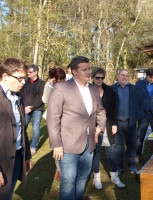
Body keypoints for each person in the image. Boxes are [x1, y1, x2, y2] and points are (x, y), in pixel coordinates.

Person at [47, 56, 106, 200]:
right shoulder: (61, 88)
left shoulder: (93, 89)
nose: (88, 72)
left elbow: (101, 111)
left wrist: (99, 128)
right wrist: (56, 144)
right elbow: (53, 117)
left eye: (89, 69)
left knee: (83, 177)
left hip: (89, 142)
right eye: (84, 69)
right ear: (74, 71)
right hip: (67, 144)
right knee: (68, 180)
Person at [0, 58, 31, 200]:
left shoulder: (18, 97)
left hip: (17, 156)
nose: (23, 82)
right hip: (2, 160)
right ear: (5, 77)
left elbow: (22, 129)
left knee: (7, 194)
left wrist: (26, 156)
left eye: (24, 78)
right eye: (19, 79)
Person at [91, 67, 125, 189]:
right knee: (96, 152)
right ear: (93, 77)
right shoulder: (88, 90)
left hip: (109, 124)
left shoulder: (109, 90)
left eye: (102, 77)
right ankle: (97, 178)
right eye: (97, 77)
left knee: (111, 151)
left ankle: (115, 177)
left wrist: (115, 123)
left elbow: (115, 108)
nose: (100, 80)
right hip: (94, 127)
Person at [111, 69, 142, 174]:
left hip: (131, 123)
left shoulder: (134, 89)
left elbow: (140, 104)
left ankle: (131, 165)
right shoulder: (112, 89)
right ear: (118, 76)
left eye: (127, 76)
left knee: (132, 145)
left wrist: (136, 117)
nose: (125, 77)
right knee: (118, 147)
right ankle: (119, 167)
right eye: (123, 75)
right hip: (117, 123)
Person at [42, 67, 66, 181]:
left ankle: (67, 166)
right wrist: (51, 85)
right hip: (53, 119)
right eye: (58, 80)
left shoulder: (68, 85)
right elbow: (45, 100)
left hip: (66, 119)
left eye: (62, 79)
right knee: (57, 144)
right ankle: (59, 169)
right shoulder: (49, 86)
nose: (60, 82)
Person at [21, 64, 45, 156]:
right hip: (25, 108)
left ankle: (33, 148)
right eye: (28, 72)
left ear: (36, 72)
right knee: (23, 127)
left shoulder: (41, 83)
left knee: (35, 128)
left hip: (37, 109)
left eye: (30, 72)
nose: (28, 74)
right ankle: (22, 145)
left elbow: (42, 98)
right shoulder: (25, 82)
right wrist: (24, 107)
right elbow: (20, 94)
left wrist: (32, 107)